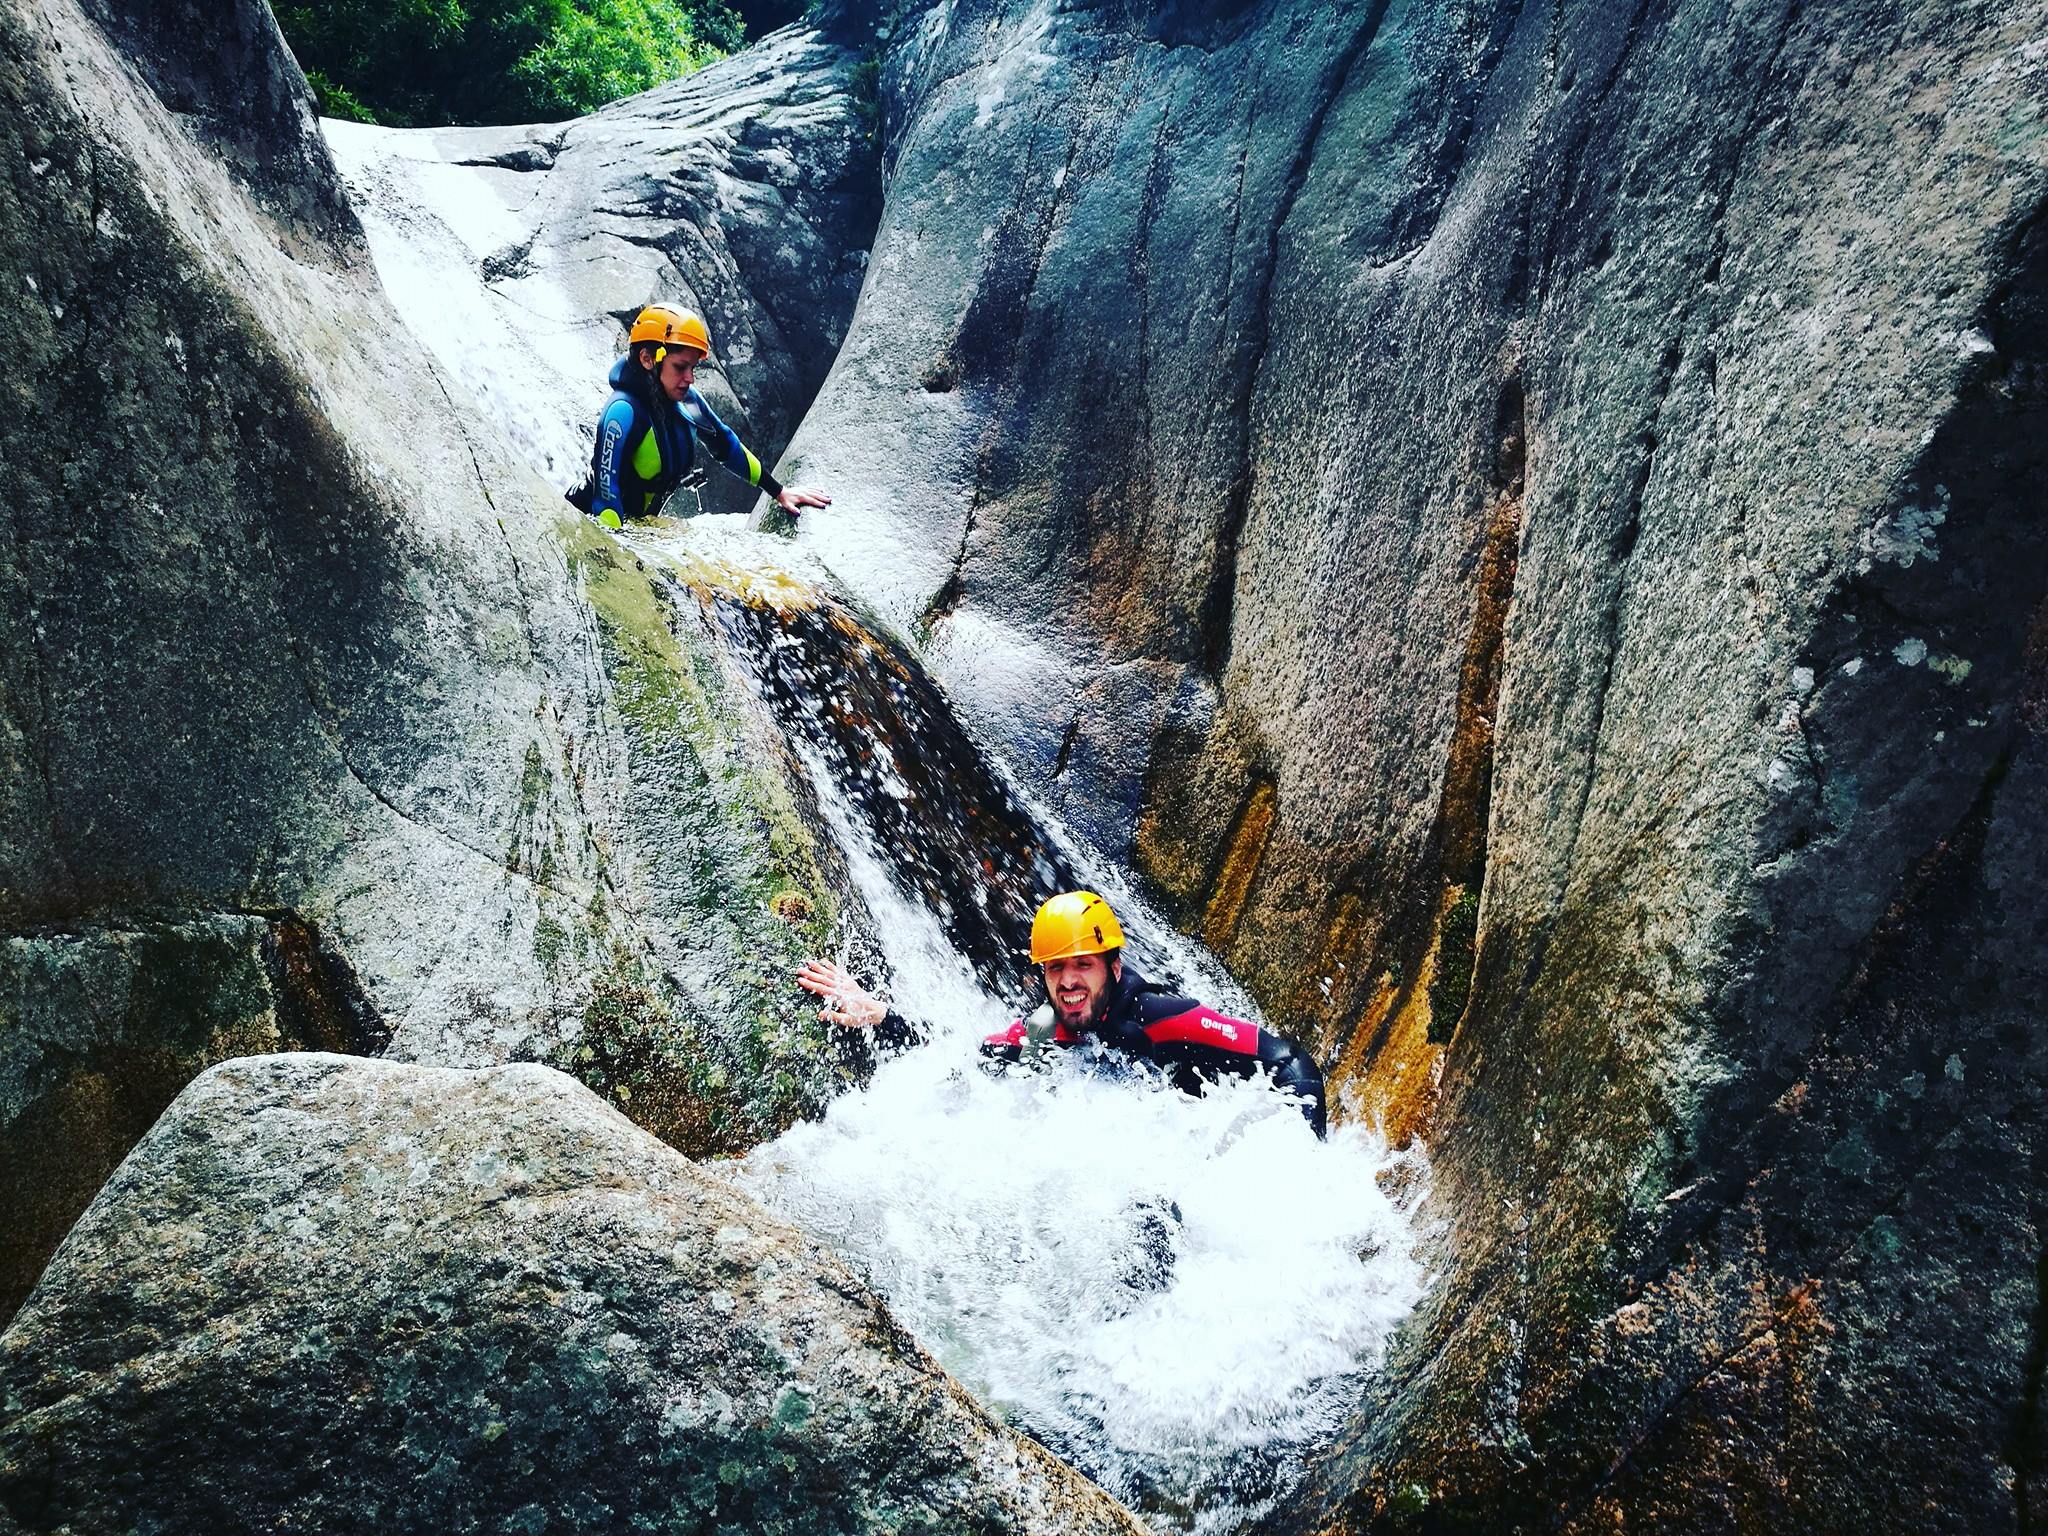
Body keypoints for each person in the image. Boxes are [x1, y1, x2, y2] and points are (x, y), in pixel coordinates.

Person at [796, 890, 1328, 1137]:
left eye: (1083, 966)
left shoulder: (1162, 1016)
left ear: (1113, 968)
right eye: (1055, 969)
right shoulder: (1050, 1028)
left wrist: (1296, 1161)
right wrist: (880, 1015)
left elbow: (1291, 1061)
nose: (1068, 981)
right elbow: (967, 1058)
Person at [568, 303, 831, 529]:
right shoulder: (622, 412)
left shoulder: (689, 401)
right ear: (648, 358)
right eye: (680, 367)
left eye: (693, 368)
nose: (690, 379)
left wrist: (779, 491)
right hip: (587, 518)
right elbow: (606, 496)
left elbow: (726, 446)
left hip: (632, 525)